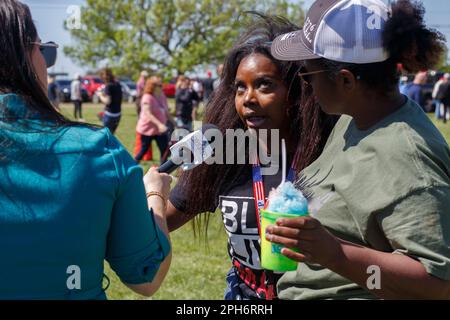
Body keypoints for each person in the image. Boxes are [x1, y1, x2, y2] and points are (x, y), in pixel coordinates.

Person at [268, 0, 450, 299]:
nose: (307, 87)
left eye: (307, 74)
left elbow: (436, 284)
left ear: (345, 80)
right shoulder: (353, 120)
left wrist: (336, 254)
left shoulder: (405, 154)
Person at [0, 0, 172, 299]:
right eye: (44, 51)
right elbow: (147, 276)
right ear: (25, 57)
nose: (47, 64)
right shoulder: (96, 151)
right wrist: (155, 194)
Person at [166, 14, 337, 300]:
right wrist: (150, 193)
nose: (248, 98)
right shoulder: (222, 155)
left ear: (296, 92)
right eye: (240, 87)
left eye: (265, 85)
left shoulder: (330, 153)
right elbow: (160, 223)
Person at [135, 76, 175, 164]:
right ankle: (132, 166)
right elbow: (148, 113)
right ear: (153, 86)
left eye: (162, 85)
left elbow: (166, 112)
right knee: (144, 150)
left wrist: (174, 123)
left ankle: (162, 171)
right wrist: (159, 125)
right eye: (159, 85)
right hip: (147, 129)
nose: (162, 87)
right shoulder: (147, 97)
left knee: (164, 150)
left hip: (159, 130)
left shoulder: (162, 96)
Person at [97, 68, 122, 135]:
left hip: (110, 115)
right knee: (111, 135)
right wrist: (103, 94)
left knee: (106, 135)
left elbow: (107, 101)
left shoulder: (108, 86)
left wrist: (100, 95)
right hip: (118, 114)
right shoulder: (117, 84)